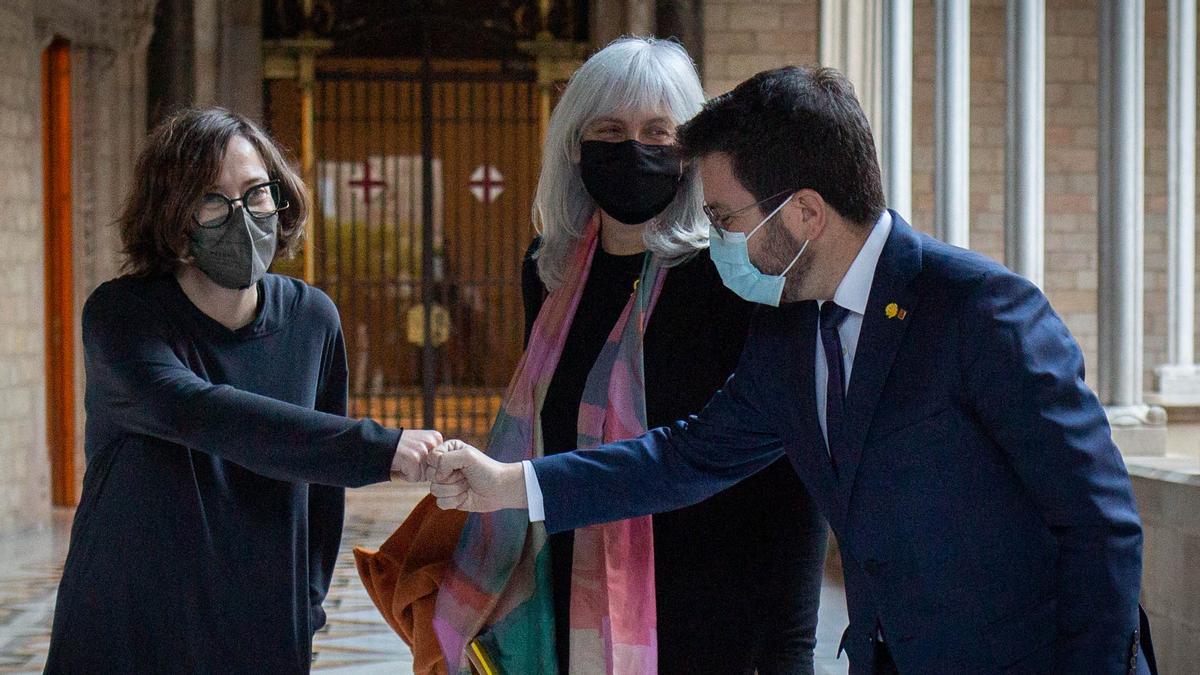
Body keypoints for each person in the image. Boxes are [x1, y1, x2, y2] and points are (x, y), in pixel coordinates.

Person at [429, 66, 1155, 675]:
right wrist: (510, 484)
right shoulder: (787, 334)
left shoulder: (979, 311)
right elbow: (682, 458)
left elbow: (1101, 524)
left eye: (725, 219)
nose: (714, 242)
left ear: (804, 212)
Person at [431, 38, 826, 675]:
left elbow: (788, 471)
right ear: (574, 146)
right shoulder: (551, 270)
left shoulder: (732, 278)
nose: (633, 149)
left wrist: (792, 650)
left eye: (658, 133)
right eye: (610, 130)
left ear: (691, 154)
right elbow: (544, 429)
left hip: (709, 619)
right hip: (566, 607)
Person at [45, 107, 441, 673]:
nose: (242, 215)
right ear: (175, 218)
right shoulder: (123, 314)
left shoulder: (311, 319)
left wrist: (305, 607)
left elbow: (320, 492)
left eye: (257, 193)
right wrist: (380, 447)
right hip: (130, 627)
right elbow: (196, 411)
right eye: (212, 199)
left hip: (261, 631)